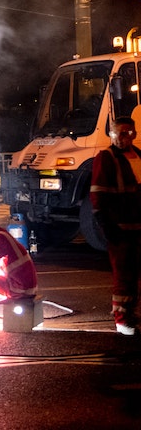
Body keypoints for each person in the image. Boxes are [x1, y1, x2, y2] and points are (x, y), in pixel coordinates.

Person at [90, 115, 141, 335]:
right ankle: (122, 319)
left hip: (138, 226)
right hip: (119, 227)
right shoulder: (106, 158)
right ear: (111, 135)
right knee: (123, 275)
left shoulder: (139, 156)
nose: (122, 138)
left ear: (134, 135)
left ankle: (130, 314)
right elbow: (98, 194)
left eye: (127, 133)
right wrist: (105, 223)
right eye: (118, 133)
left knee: (135, 273)